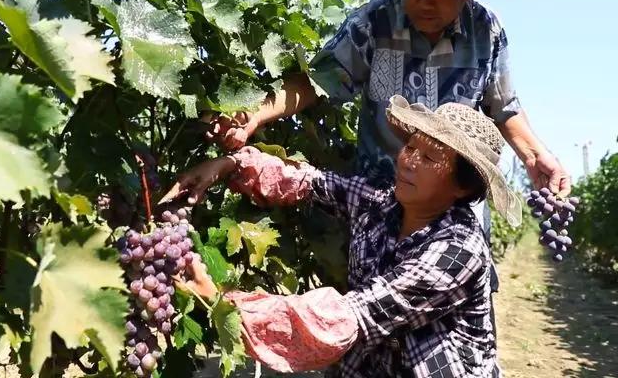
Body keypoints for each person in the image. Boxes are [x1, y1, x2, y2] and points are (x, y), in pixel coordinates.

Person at [205, 0, 570, 215]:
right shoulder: (374, 22)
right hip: (378, 200)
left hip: (452, 206)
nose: (425, 1)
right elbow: (317, 83)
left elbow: (503, 107)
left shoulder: (486, 32)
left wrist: (536, 157)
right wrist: (255, 112)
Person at [164, 95, 520, 377]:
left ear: (461, 187)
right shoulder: (382, 201)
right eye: (411, 147)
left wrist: (225, 305)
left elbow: (349, 315)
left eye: (429, 157)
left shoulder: (458, 251)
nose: (409, 161)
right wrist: (231, 164)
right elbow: (309, 182)